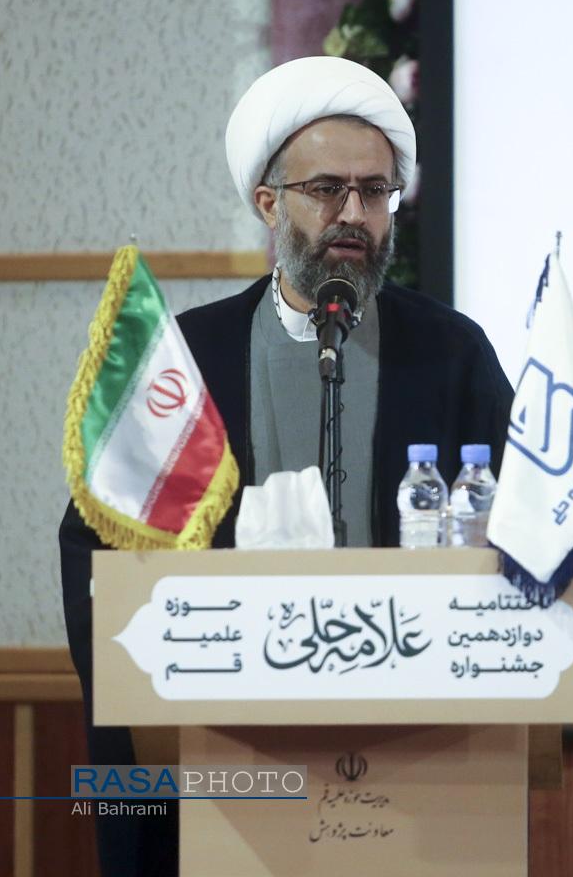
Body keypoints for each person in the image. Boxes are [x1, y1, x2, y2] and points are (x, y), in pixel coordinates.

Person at [58, 56, 514, 875]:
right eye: (327, 189)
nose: (354, 214)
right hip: (224, 768)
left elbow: (517, 530)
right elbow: (100, 544)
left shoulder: (451, 355)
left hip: (415, 765)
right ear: (269, 202)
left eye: (375, 192)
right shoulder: (188, 360)